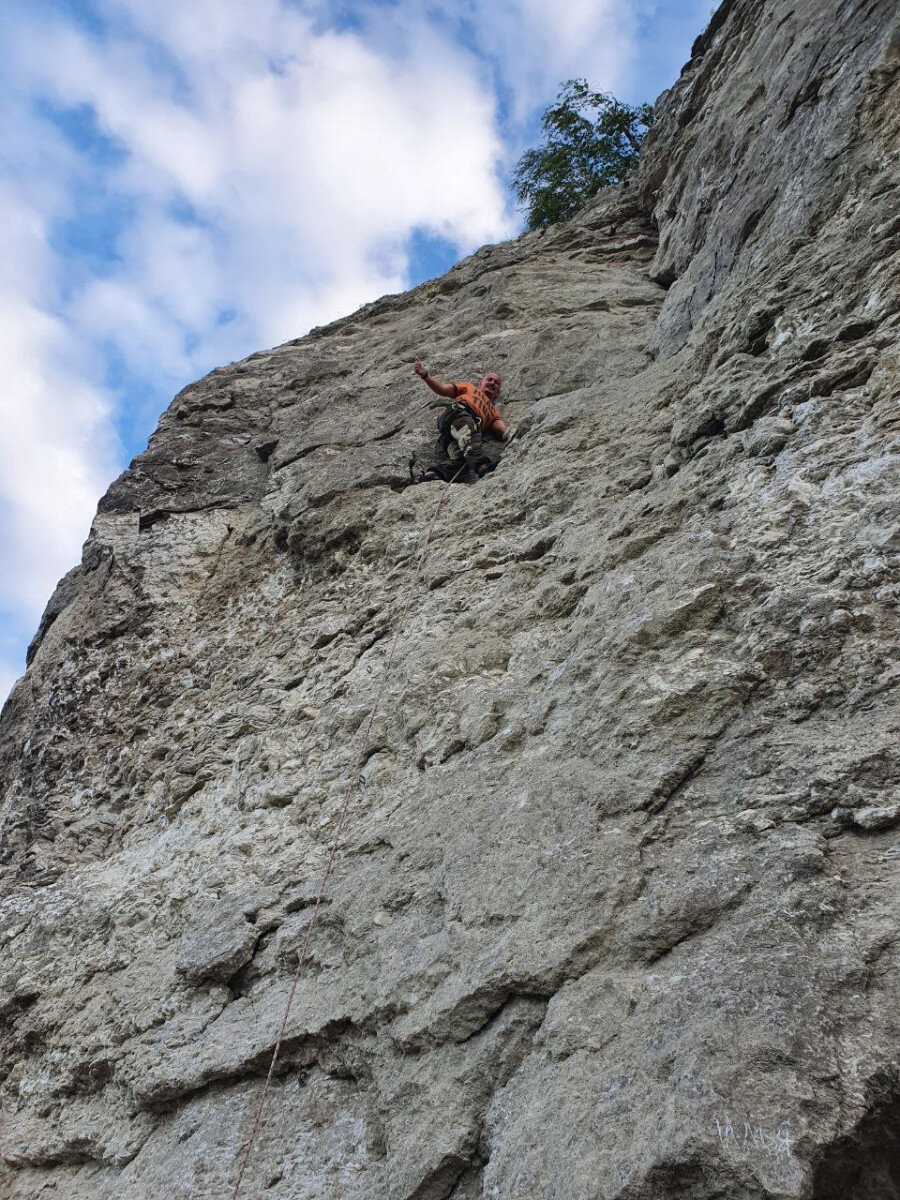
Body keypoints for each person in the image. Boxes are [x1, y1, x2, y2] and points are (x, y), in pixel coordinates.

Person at [412, 358, 509, 483]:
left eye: (496, 382)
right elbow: (443, 389)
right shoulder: (469, 388)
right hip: (458, 415)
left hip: (452, 433)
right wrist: (425, 376)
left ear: (498, 392)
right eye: (489, 379)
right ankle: (482, 465)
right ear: (481, 383)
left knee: (463, 462)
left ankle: (432, 474)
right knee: (471, 438)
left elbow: (503, 431)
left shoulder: (493, 412)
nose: (492, 383)